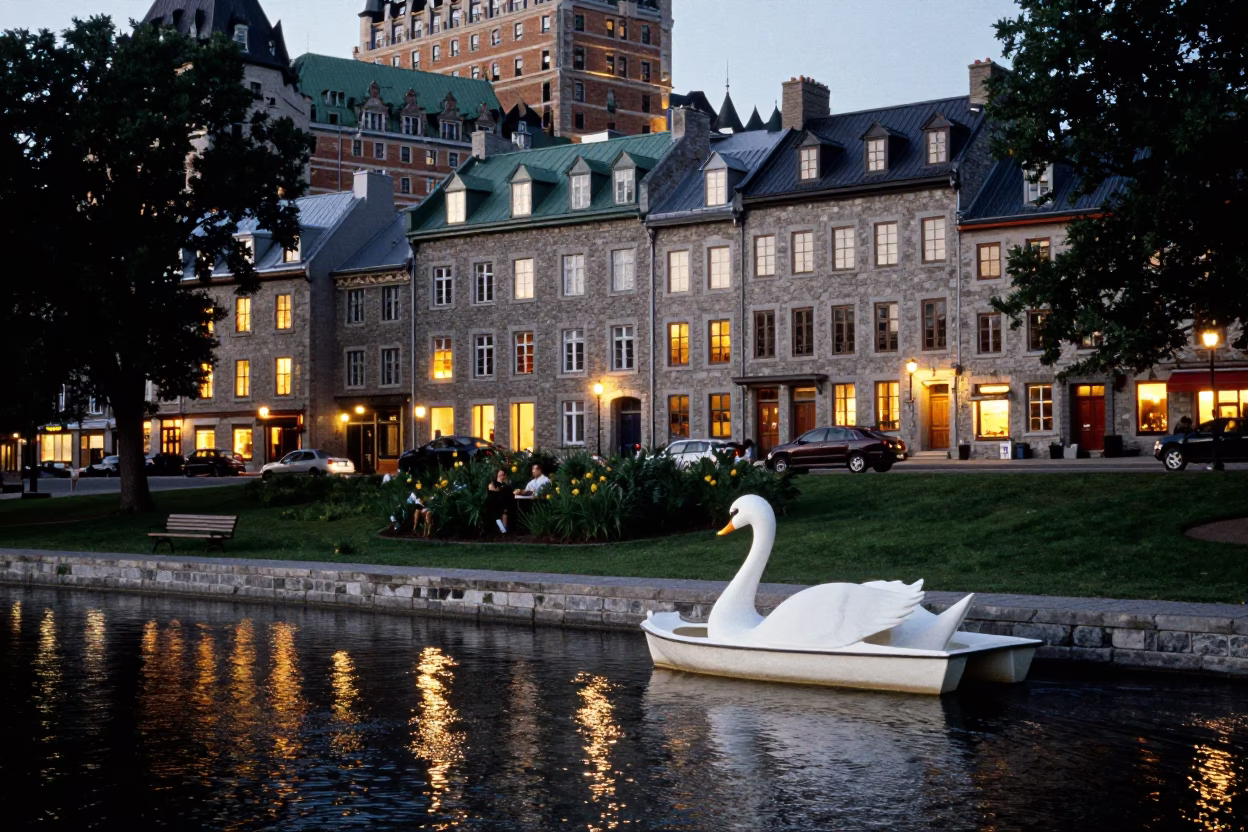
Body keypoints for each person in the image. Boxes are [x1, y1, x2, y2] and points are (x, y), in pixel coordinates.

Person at [485, 468, 515, 534]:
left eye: (503, 475)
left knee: (504, 515)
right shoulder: (492, 485)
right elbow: (492, 494)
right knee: (500, 516)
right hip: (495, 506)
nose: (503, 476)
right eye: (501, 475)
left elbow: (510, 496)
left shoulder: (507, 487)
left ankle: (503, 531)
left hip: (505, 506)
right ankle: (503, 530)